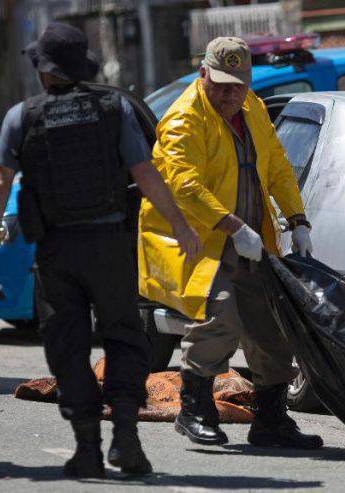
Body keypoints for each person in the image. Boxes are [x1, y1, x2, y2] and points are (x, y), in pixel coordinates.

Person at [0, 23, 200, 478]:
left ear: (44, 70)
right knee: (124, 339)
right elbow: (146, 173)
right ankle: (127, 441)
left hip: (57, 251)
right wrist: (181, 226)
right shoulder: (114, 107)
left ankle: (88, 449)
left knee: (67, 347)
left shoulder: (23, 116)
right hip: (111, 247)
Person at [137, 37, 321, 450]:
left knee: (270, 328)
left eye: (237, 85)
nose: (229, 93)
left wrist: (298, 219)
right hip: (202, 241)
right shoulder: (184, 118)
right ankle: (194, 409)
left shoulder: (252, 107)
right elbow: (184, 185)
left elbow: (276, 167)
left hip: (251, 241)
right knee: (220, 317)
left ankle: (271, 419)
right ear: (203, 74)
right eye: (220, 84)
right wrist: (234, 226)